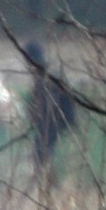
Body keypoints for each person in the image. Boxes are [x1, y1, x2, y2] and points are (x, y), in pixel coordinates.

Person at [23, 40, 78, 179]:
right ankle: (46, 182)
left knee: (41, 152)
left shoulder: (47, 77)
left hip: (55, 121)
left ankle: (47, 183)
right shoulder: (46, 75)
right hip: (54, 121)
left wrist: (36, 117)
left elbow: (50, 103)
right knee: (42, 153)